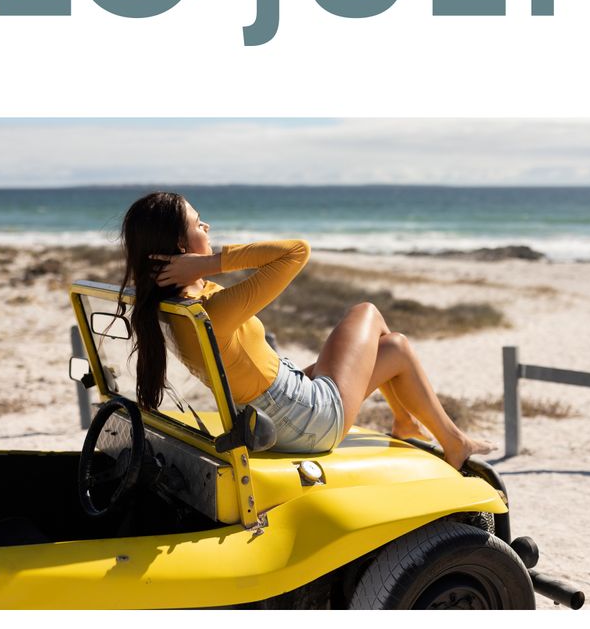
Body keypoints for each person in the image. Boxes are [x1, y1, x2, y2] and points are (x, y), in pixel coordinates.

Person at [119, 191, 493, 469]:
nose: (207, 226)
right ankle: (451, 440)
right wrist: (211, 262)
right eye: (198, 223)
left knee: (392, 347)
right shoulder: (211, 311)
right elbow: (296, 252)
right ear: (181, 245)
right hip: (305, 422)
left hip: (271, 410)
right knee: (373, 318)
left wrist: (194, 270)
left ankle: (408, 423)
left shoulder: (168, 306)